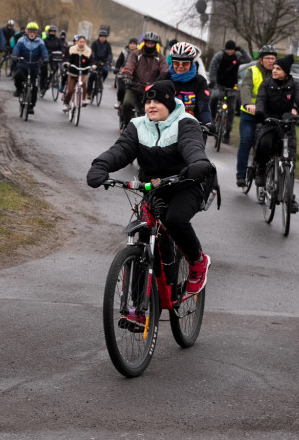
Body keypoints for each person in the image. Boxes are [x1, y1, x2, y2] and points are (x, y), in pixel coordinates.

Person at [86, 79, 214, 295]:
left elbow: (192, 146)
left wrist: (198, 164)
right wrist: (101, 166)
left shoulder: (186, 122)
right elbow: (121, 150)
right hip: (154, 187)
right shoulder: (138, 125)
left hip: (187, 183)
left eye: (157, 101)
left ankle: (197, 261)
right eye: (148, 101)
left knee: (174, 220)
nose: (151, 106)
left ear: (170, 103)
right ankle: (135, 309)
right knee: (146, 232)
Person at [252, 55, 299, 213]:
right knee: (265, 144)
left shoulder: (294, 85)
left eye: (278, 69)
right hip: (268, 119)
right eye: (273, 68)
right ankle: (261, 170)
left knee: (290, 160)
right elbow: (260, 99)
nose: (274, 71)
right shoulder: (266, 84)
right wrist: (260, 113)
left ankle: (289, 197)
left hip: (286, 122)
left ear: (286, 72)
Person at [235, 45, 277, 188]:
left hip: (266, 115)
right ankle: (241, 175)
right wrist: (247, 103)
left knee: (265, 145)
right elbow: (246, 87)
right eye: (268, 58)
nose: (271, 61)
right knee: (246, 141)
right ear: (261, 59)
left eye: (273, 58)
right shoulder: (252, 71)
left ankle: (261, 170)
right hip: (250, 114)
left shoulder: (278, 73)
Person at [118, 31, 166, 128]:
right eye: (148, 42)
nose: (149, 45)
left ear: (155, 44)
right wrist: (127, 76)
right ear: (144, 42)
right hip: (134, 87)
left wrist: (162, 80)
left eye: (152, 43)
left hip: (151, 90)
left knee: (153, 110)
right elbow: (129, 66)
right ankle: (127, 125)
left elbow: (165, 71)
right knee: (127, 104)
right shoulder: (136, 54)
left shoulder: (160, 58)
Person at [207, 40, 245, 144]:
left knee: (232, 110)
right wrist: (212, 81)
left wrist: (241, 50)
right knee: (213, 99)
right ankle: (212, 120)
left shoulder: (237, 57)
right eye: (228, 49)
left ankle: (227, 132)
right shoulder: (219, 56)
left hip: (232, 87)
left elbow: (248, 59)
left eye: (232, 50)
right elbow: (212, 68)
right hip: (219, 85)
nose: (230, 52)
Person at [167, 42, 212, 125]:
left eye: (185, 63)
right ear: (172, 62)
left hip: (192, 126)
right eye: (177, 63)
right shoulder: (165, 78)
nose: (180, 66)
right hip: (168, 126)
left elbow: (204, 105)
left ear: (191, 63)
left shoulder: (200, 81)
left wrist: (208, 122)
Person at [12, 21, 49, 111]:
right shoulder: (22, 40)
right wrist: (15, 55)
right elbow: (17, 48)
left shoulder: (40, 41)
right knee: (18, 75)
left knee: (35, 87)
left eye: (34, 32)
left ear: (36, 33)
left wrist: (45, 58)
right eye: (30, 32)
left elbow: (44, 51)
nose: (32, 34)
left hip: (35, 65)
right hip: (23, 64)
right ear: (27, 32)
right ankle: (19, 89)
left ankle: (31, 105)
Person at [62, 34, 93, 110]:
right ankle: (66, 104)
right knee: (71, 90)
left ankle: (83, 100)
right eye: (80, 42)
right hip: (72, 72)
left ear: (85, 43)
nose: (82, 43)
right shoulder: (72, 49)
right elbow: (68, 58)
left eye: (83, 42)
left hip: (83, 72)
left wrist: (93, 65)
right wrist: (67, 63)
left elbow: (92, 60)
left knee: (84, 85)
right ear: (77, 42)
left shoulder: (88, 51)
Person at [114, 37, 137, 109]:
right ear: (128, 44)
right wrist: (117, 68)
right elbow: (119, 61)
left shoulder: (139, 53)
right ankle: (119, 101)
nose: (132, 45)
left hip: (135, 74)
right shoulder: (124, 52)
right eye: (131, 43)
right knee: (121, 89)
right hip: (123, 72)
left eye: (134, 44)